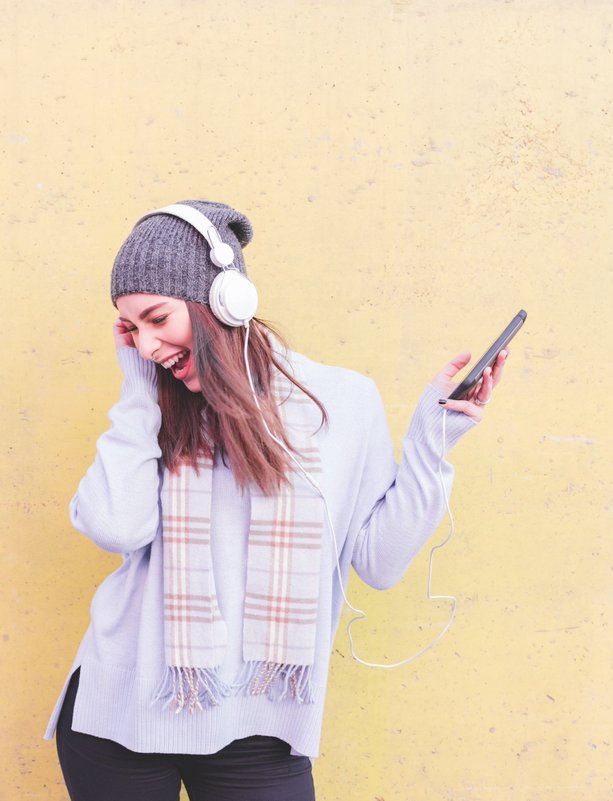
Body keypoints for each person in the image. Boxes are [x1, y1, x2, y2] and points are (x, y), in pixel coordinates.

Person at [43, 200, 508, 801]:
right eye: (131, 330)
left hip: (259, 721)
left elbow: (380, 563)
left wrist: (433, 439)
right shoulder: (154, 409)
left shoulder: (342, 401)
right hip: (122, 712)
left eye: (157, 319)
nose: (148, 345)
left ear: (225, 301)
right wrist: (138, 390)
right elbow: (116, 527)